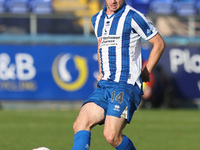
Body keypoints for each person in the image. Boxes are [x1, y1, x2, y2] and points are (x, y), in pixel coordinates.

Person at [72, 0, 165, 149]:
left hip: (125, 85)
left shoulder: (134, 17)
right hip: (105, 85)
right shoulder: (97, 19)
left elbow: (159, 43)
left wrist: (146, 71)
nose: (114, 1)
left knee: (111, 136)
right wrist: (101, 70)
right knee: (81, 123)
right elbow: (100, 44)